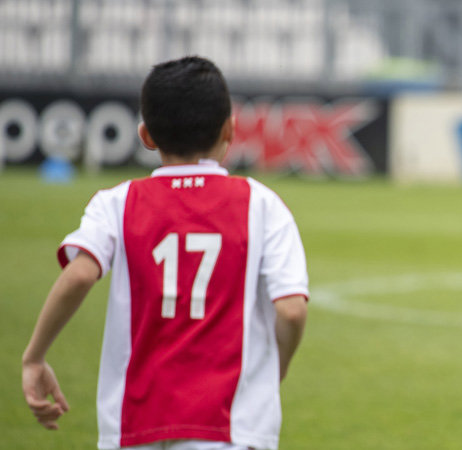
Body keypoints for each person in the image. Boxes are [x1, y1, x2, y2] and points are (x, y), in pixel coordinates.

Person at [21, 56, 309, 450]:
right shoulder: (262, 204)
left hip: (135, 425)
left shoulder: (116, 202)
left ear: (146, 135)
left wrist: (34, 358)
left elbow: (81, 273)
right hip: (232, 427)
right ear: (230, 128)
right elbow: (291, 309)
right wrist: (276, 370)